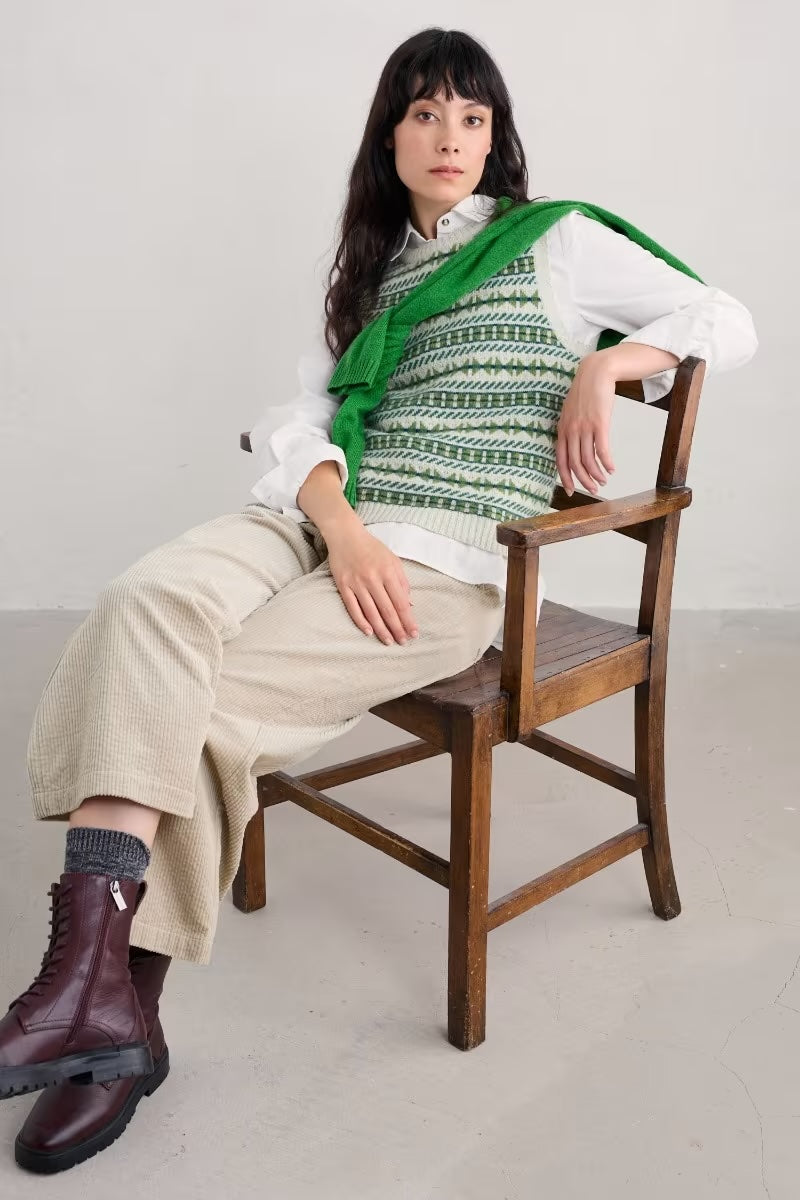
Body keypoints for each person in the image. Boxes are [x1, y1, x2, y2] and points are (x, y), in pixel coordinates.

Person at [2, 26, 757, 1173]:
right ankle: (91, 1003)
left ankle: (111, 1016)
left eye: (471, 116)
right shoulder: (373, 274)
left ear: (494, 140)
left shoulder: (552, 243)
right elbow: (296, 423)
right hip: (325, 525)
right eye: (423, 113)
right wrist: (340, 526)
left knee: (194, 712)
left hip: (444, 563)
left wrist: (604, 363)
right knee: (142, 603)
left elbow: (723, 318)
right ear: (389, 137)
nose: (448, 136)